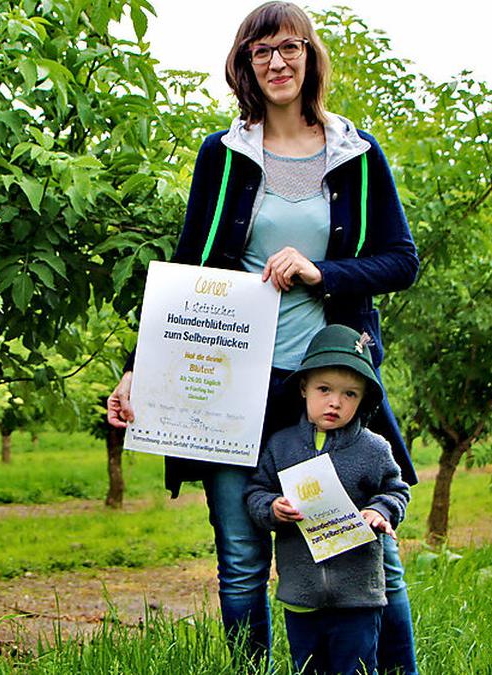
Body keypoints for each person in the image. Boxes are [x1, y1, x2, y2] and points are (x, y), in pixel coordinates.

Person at [106, 2, 420, 671]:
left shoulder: (357, 156)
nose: (277, 62)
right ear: (245, 64)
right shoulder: (224, 156)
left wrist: (322, 271)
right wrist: (139, 369)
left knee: (367, 550)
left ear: (310, 56)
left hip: (323, 387)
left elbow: (402, 260)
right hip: (231, 390)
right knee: (243, 556)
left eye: (290, 47)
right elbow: (188, 267)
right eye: (261, 51)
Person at [244, 324, 409, 675]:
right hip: (301, 595)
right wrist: (272, 508)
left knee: (357, 667)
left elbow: (396, 490)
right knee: (307, 668)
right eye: (324, 389)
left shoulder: (373, 448)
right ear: (304, 388)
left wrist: (380, 511)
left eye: (350, 394)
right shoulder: (281, 446)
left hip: (358, 597)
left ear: (364, 398)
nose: (335, 402)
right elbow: (256, 491)